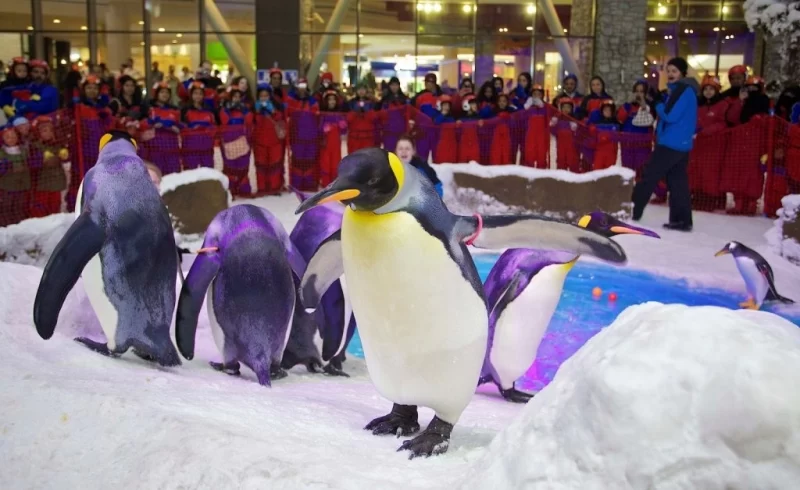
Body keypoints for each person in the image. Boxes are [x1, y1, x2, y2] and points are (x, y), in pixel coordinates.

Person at [632, 57, 699, 232]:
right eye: (668, 71)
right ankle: (682, 220)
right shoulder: (685, 90)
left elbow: (670, 115)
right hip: (680, 143)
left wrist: (657, 103)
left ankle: (632, 211)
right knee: (677, 182)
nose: (670, 74)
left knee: (649, 176)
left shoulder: (683, 90)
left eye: (674, 71)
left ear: (683, 73)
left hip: (671, 143)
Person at [396, 133, 443, 198]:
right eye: (400, 148)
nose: (404, 151)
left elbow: (437, 187)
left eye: (407, 148)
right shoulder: (390, 168)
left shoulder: (423, 168)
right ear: (396, 151)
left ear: (413, 151)